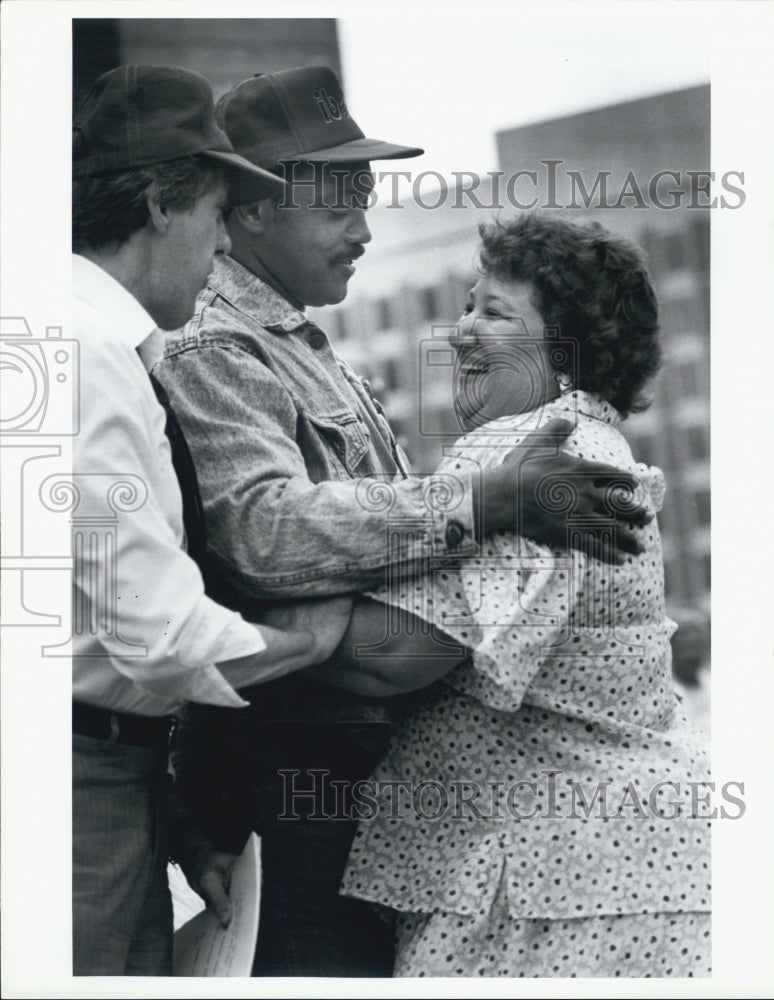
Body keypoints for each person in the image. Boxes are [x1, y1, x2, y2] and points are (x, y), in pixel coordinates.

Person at [154, 66, 654, 977]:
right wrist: (479, 501)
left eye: (369, 198)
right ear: (254, 207)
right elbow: (264, 533)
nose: (364, 227)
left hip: (358, 775)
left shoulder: (297, 341)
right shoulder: (214, 342)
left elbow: (395, 565)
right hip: (291, 768)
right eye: (340, 201)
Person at [319, 214, 711, 977]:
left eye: (493, 312)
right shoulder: (592, 443)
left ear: (567, 352)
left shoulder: (534, 453)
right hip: (619, 871)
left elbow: (390, 658)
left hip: (552, 893)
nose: (461, 330)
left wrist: (216, 630)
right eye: (467, 305)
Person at [71, 65, 323, 976]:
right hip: (79, 796)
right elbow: (162, 637)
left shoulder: (94, 343)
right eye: (218, 212)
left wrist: (171, 812)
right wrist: (313, 640)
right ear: (158, 205)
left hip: (108, 778)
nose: (223, 245)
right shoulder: (88, 355)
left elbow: (98, 632)